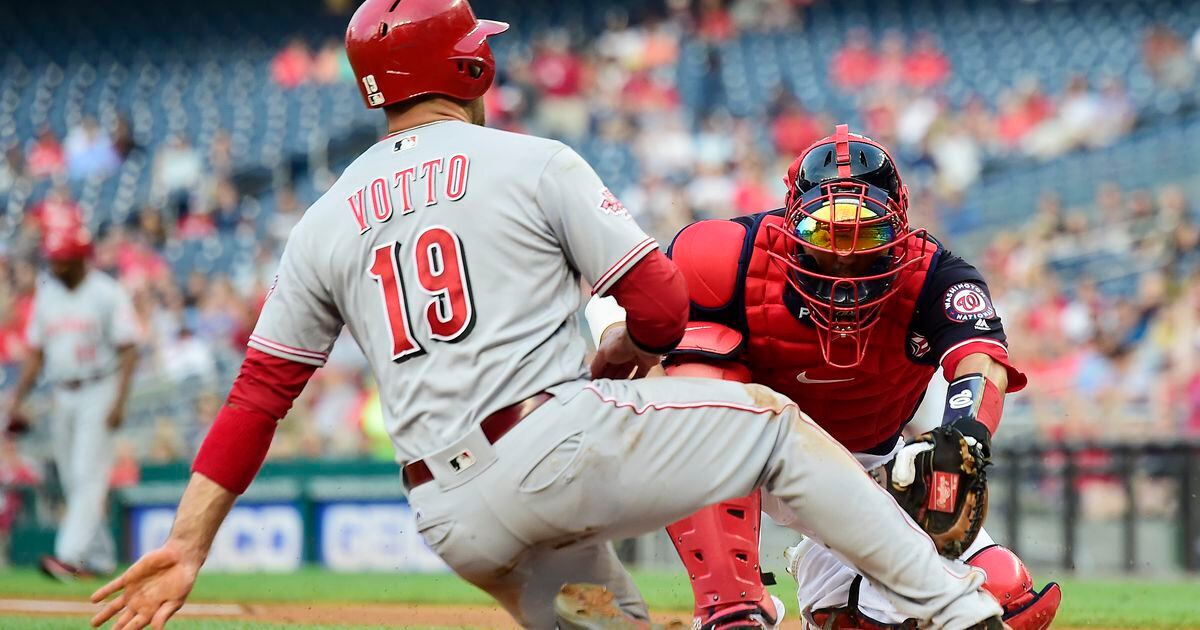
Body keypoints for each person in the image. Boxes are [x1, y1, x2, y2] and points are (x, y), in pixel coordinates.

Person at [88, 3, 1007, 629]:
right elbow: (660, 306)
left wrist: (186, 541)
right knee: (771, 428)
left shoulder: (325, 214)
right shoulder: (529, 161)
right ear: (467, 63)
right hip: (550, 447)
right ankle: (954, 609)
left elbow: (260, 393)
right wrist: (623, 349)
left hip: (449, 515)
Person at [627, 125, 1059, 629]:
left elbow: (982, 359)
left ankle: (839, 589)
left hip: (879, 468)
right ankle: (732, 606)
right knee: (699, 384)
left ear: (898, 227)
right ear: (790, 222)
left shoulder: (936, 275)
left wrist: (967, 437)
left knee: (1008, 596)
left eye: (868, 231)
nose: (845, 255)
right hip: (760, 458)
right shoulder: (726, 257)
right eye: (823, 231)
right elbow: (668, 376)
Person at [5, 223, 139, 580]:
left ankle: (68, 555)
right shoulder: (48, 295)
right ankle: (98, 559)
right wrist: (17, 398)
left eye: (63, 260)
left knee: (88, 474)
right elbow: (36, 352)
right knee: (71, 478)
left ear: (82, 259)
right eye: (54, 259)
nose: (56, 266)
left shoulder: (107, 293)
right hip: (62, 392)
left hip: (99, 386)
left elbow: (129, 349)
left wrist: (119, 402)